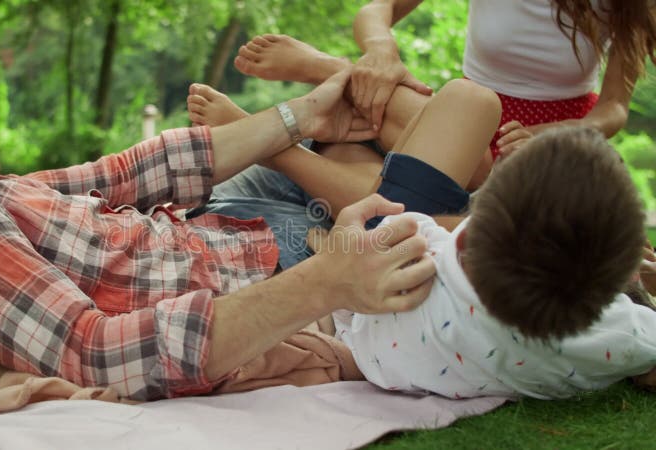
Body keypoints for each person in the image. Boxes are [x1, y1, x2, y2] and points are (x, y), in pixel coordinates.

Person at [0, 19, 437, 402]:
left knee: (345, 140)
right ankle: (353, 81)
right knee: (433, 154)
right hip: (266, 266)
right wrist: (322, 286)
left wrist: (300, 115)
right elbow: (97, 353)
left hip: (224, 225)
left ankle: (325, 93)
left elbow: (116, 177)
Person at [188, 82, 656, 399]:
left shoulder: (429, 249)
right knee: (358, 153)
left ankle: (283, 137)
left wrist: (328, 244)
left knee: (468, 100)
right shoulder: (610, 339)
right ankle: (324, 123)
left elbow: (357, 241)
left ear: (469, 238)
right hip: (365, 320)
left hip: (327, 271)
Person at [234, 0, 656, 186]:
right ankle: (341, 73)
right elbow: (376, 10)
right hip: (466, 111)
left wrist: (560, 134)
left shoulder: (629, 4)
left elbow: (614, 108)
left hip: (558, 135)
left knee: (473, 166)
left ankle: (332, 72)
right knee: (357, 159)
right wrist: (381, 51)